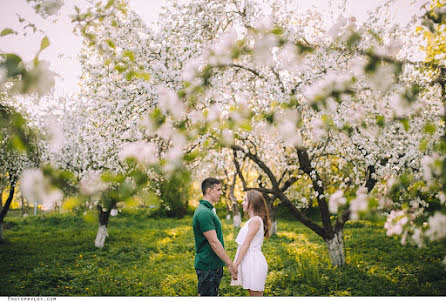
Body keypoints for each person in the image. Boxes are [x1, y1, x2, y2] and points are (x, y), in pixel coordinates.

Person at [193, 177, 238, 296]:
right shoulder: (204, 213)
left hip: (212, 266)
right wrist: (229, 263)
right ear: (209, 191)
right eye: (218, 190)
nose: (221, 193)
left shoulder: (209, 210)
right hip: (208, 267)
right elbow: (214, 242)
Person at [231, 190, 271, 296]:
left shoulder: (255, 221)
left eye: (245, 200)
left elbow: (246, 244)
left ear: (252, 203)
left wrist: (235, 265)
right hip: (250, 261)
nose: (242, 203)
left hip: (254, 262)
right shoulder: (254, 220)